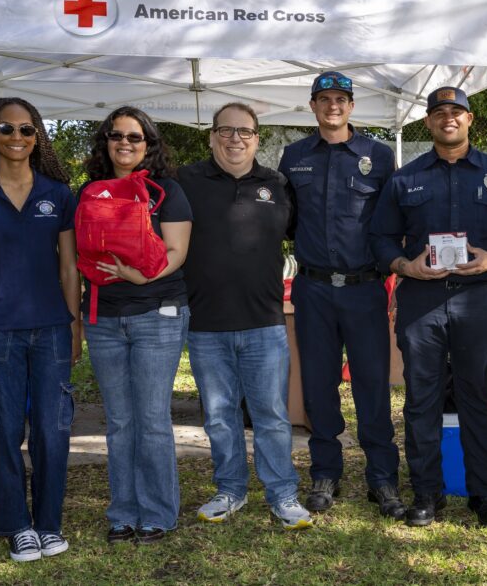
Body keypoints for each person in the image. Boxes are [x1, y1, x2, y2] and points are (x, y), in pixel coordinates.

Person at [370, 86, 487, 529]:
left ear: (469, 119)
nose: (449, 118)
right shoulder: (404, 179)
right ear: (428, 122)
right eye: (440, 112)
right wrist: (406, 265)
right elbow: (380, 237)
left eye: (456, 112)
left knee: (477, 396)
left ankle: (486, 495)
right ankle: (426, 493)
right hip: (421, 299)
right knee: (422, 399)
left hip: (478, 298)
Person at [0, 97, 80, 562]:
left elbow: (69, 268)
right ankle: (16, 525)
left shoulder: (58, 194)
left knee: (53, 428)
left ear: (37, 137)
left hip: (51, 329)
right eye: (7, 129)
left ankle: (48, 524)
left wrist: (75, 326)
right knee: (5, 430)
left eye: (27, 130)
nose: (17, 138)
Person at [179, 102, 312, 530]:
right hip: (205, 324)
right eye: (226, 131)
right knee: (219, 416)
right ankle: (230, 490)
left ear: (257, 138)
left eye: (245, 132)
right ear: (212, 136)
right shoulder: (186, 181)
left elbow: (307, 233)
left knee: (272, 414)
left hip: (265, 323)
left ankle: (283, 495)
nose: (236, 139)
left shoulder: (277, 184)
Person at [278, 72, 403, 518]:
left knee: (372, 383)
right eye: (324, 99)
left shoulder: (379, 155)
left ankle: (383, 478)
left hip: (364, 288)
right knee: (318, 384)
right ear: (312, 106)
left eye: (341, 99)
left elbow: (393, 221)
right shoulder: (293, 157)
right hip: (313, 290)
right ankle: (325, 473)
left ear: (352, 107)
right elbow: (285, 221)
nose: (333, 106)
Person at [79, 106, 193, 544]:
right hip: (104, 318)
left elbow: (177, 251)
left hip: (156, 312)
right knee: (120, 421)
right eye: (116, 136)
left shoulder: (168, 191)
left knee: (151, 419)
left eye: (135, 137)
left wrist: (139, 276)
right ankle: (122, 513)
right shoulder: (90, 191)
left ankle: (158, 513)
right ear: (105, 142)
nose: (125, 144)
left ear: (149, 144)